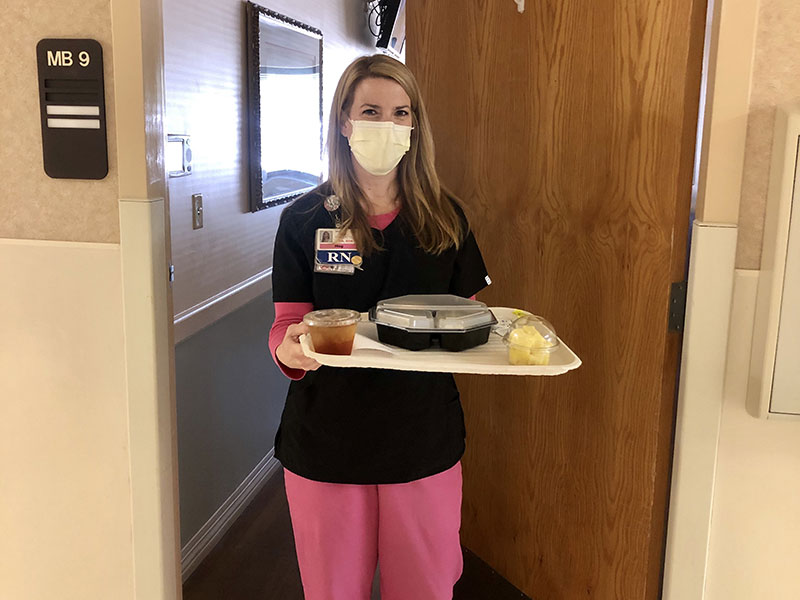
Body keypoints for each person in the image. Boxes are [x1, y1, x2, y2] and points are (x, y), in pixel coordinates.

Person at [268, 54, 490, 600]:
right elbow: (286, 326)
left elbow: (471, 320)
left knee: (427, 587)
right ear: (344, 122)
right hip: (327, 439)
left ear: (415, 127)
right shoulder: (304, 219)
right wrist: (290, 352)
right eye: (370, 110)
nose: (386, 125)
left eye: (400, 113)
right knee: (332, 590)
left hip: (421, 438)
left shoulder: (446, 218)